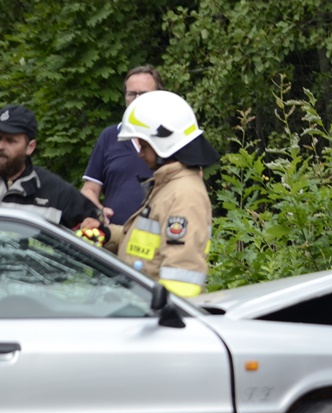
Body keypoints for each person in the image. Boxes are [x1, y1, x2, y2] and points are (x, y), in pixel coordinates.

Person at [113, 90, 219, 297]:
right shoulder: (169, 186)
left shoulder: (185, 195)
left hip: (157, 321)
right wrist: (108, 235)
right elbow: (145, 246)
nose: (140, 153)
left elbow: (181, 277)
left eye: (143, 145)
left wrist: (163, 321)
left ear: (164, 142)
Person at [0, 104, 105, 233]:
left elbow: (97, 224)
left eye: (10, 141)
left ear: (30, 147)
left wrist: (95, 227)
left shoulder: (55, 191)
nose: (1, 146)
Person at [81, 65, 163, 227]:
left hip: (156, 236)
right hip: (112, 240)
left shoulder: (171, 138)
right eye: (132, 94)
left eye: (144, 94)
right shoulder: (110, 137)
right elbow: (89, 189)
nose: (137, 99)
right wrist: (96, 210)